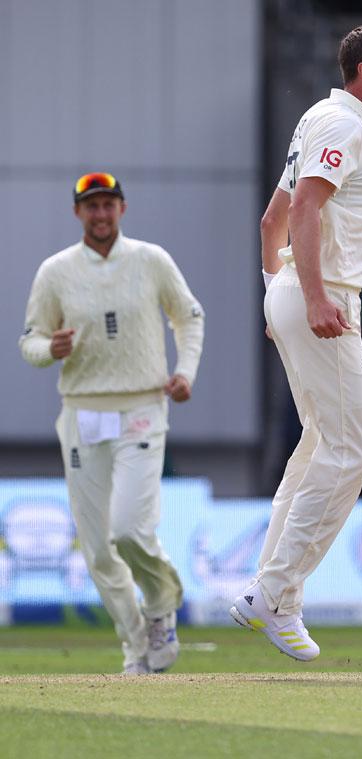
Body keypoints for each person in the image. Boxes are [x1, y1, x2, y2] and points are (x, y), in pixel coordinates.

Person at [231, 21, 362, 661]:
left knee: (319, 445)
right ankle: (272, 588)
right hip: (324, 293)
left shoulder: (323, 120)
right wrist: (309, 297)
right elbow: (303, 211)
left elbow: (270, 220)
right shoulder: (341, 126)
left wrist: (273, 292)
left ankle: (280, 601)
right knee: (350, 450)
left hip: (299, 288)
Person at [19, 172, 204, 675]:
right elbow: (30, 340)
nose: (100, 215)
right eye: (91, 207)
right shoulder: (55, 272)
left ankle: (161, 606)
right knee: (99, 548)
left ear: (122, 208)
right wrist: (48, 349)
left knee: (127, 529)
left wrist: (184, 372)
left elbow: (189, 317)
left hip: (142, 407)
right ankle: (135, 645)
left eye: (108, 205)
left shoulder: (151, 260)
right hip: (82, 411)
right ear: (78, 213)